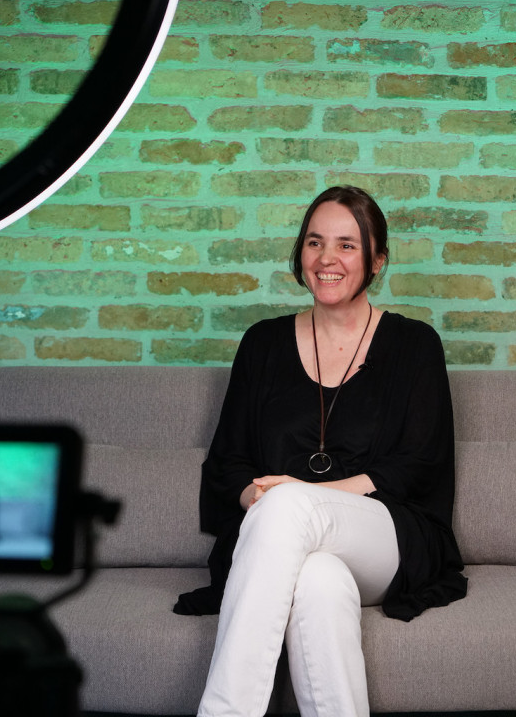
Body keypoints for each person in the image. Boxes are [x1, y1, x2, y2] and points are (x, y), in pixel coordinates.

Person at [174, 185, 467, 717]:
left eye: (347, 245)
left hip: (386, 535)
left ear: (377, 259)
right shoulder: (262, 344)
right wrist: (260, 498)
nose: (327, 258)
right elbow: (228, 462)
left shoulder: (414, 344)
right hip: (279, 530)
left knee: (290, 505)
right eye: (315, 242)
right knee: (318, 582)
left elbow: (417, 464)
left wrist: (304, 496)